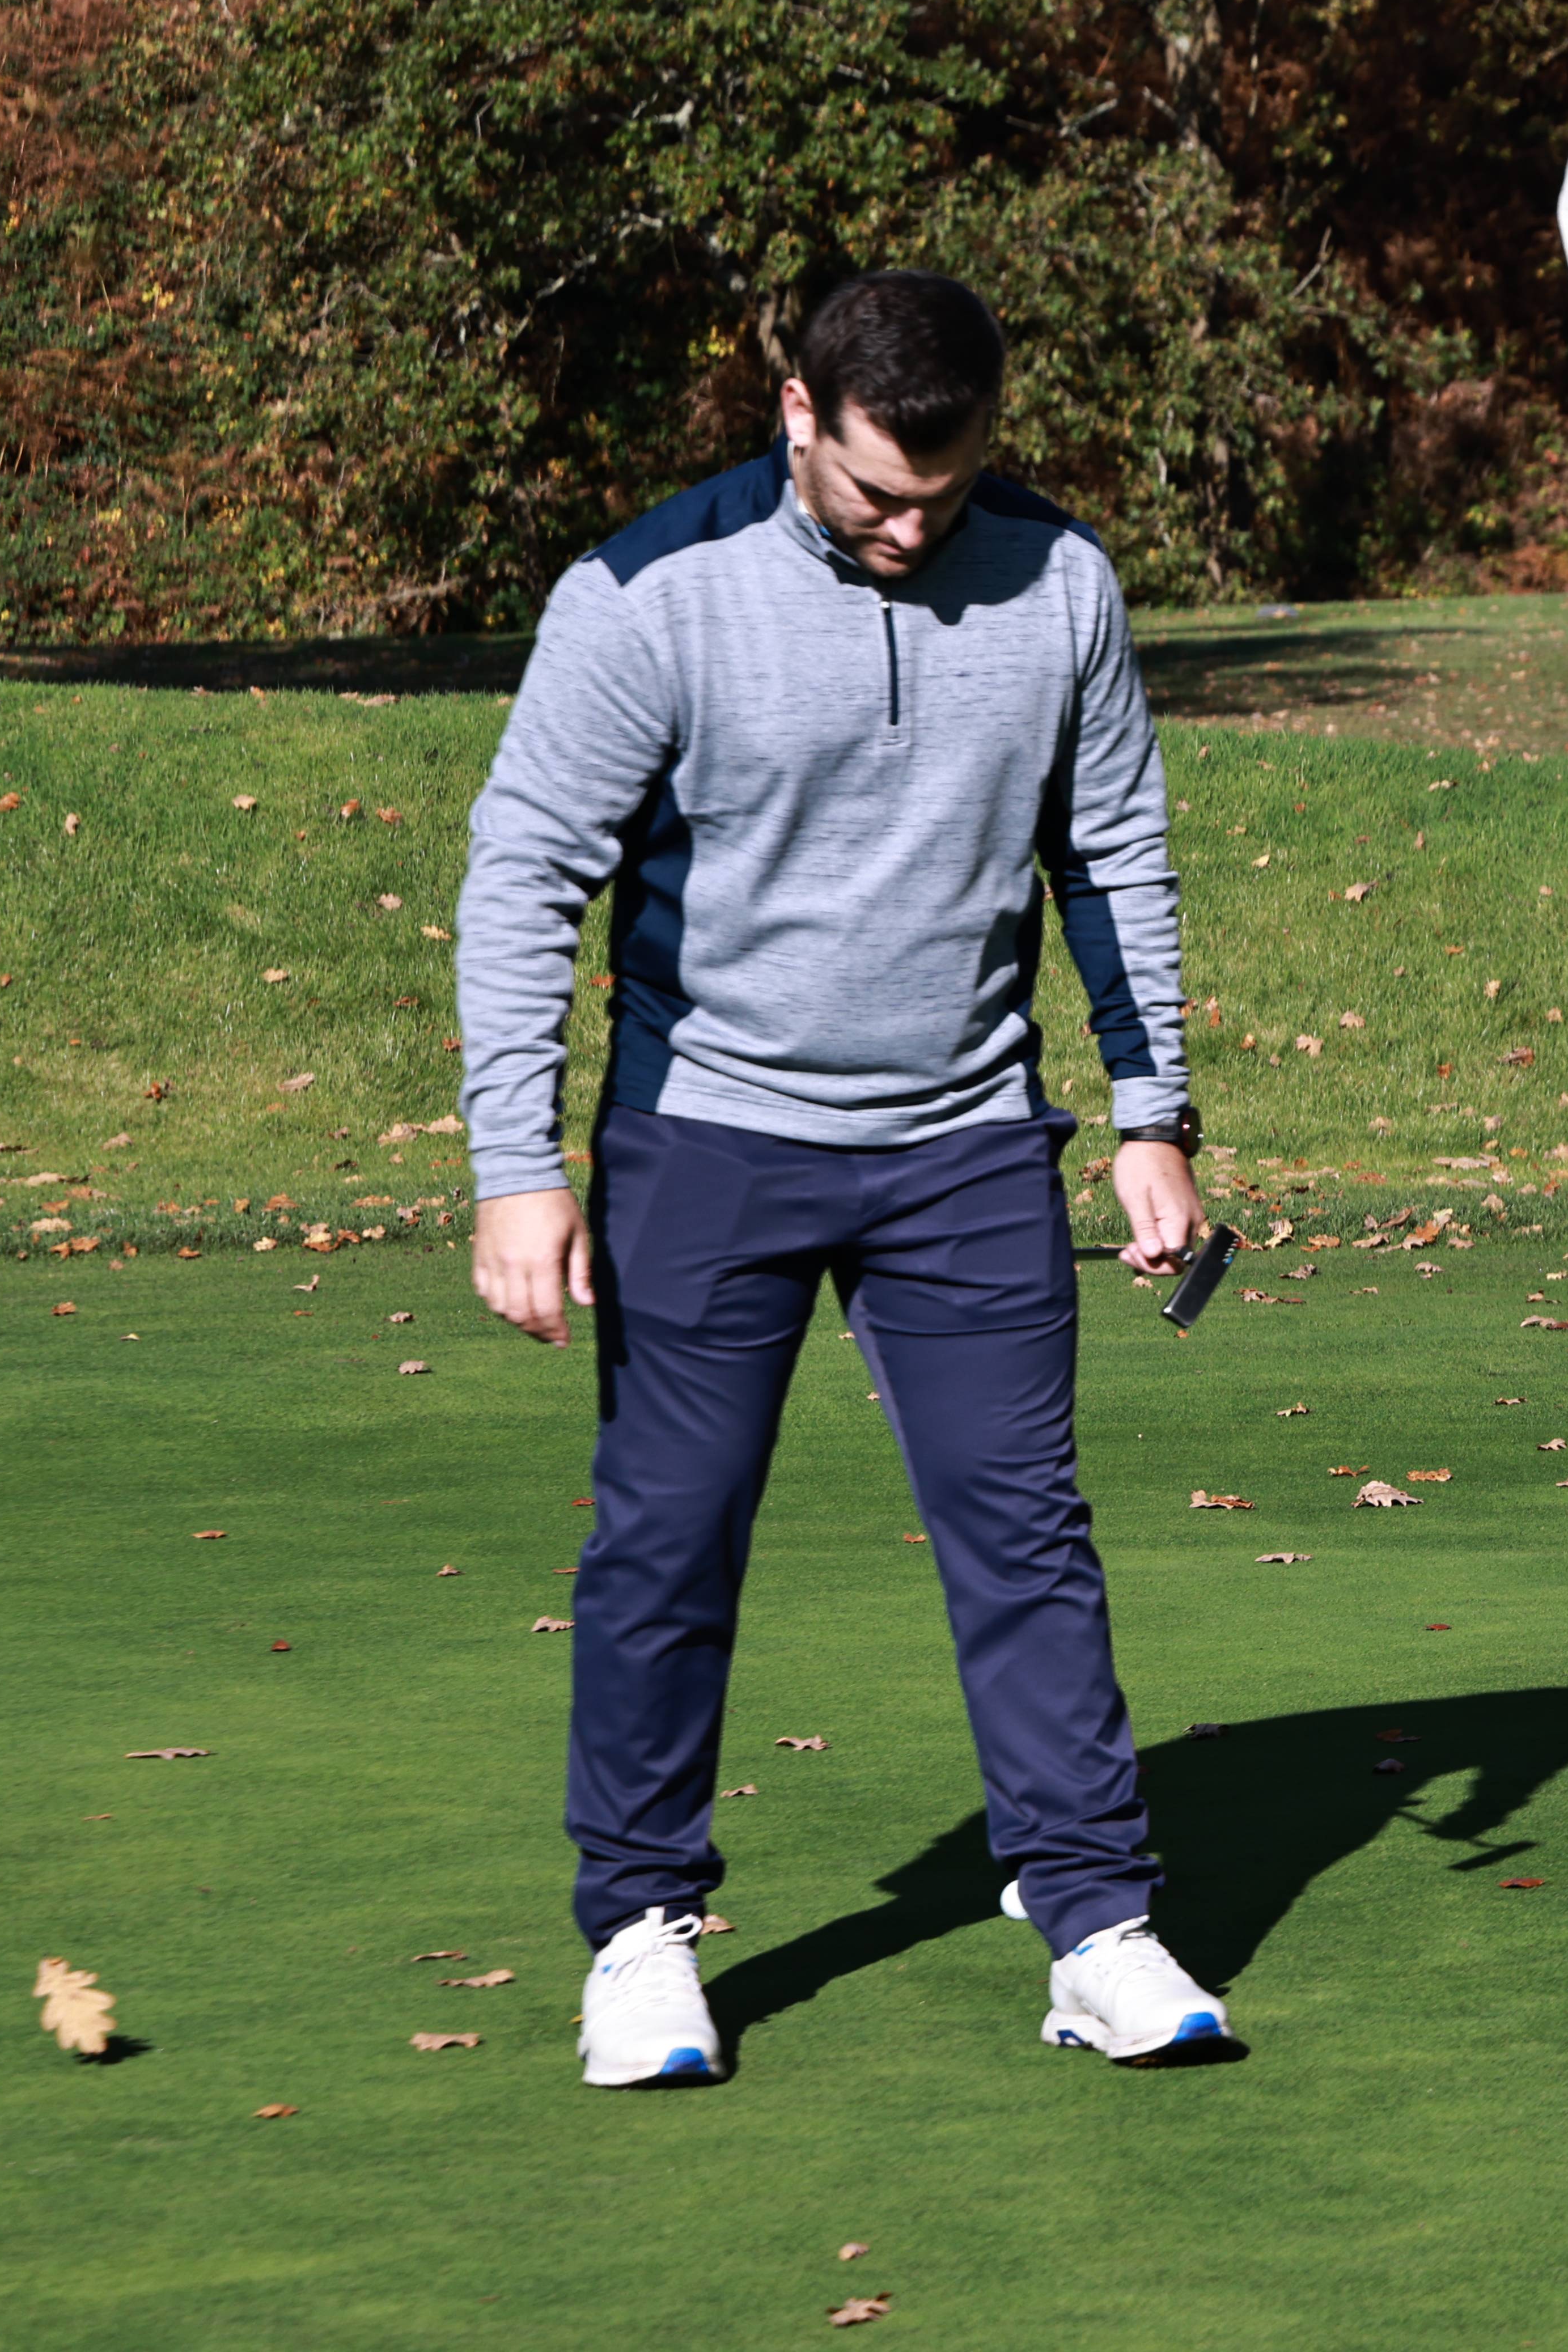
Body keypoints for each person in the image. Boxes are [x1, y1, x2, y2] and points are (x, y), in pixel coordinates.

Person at [459, 269, 1243, 2083]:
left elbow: (1111, 845)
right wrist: (518, 1163)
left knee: (1024, 1536)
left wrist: (1154, 1113)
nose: (911, 532)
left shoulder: (1059, 581)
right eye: (881, 494)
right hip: (706, 1138)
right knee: (668, 1541)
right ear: (797, 412)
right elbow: (523, 879)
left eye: (946, 498)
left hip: (964, 1143)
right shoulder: (646, 595)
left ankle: (1094, 1917)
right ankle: (643, 1932)